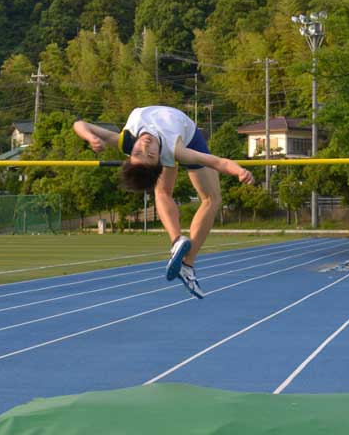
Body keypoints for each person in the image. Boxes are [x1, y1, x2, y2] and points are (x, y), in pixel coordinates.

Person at [73, 106, 253, 298]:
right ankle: (179, 246)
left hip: (184, 131)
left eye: (139, 152)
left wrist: (90, 138)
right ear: (161, 160)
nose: (145, 147)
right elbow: (218, 163)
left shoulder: (126, 140)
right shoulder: (174, 151)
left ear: (130, 153)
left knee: (210, 199)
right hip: (185, 137)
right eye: (150, 155)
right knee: (183, 194)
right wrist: (239, 171)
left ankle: (184, 258)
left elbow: (79, 124)